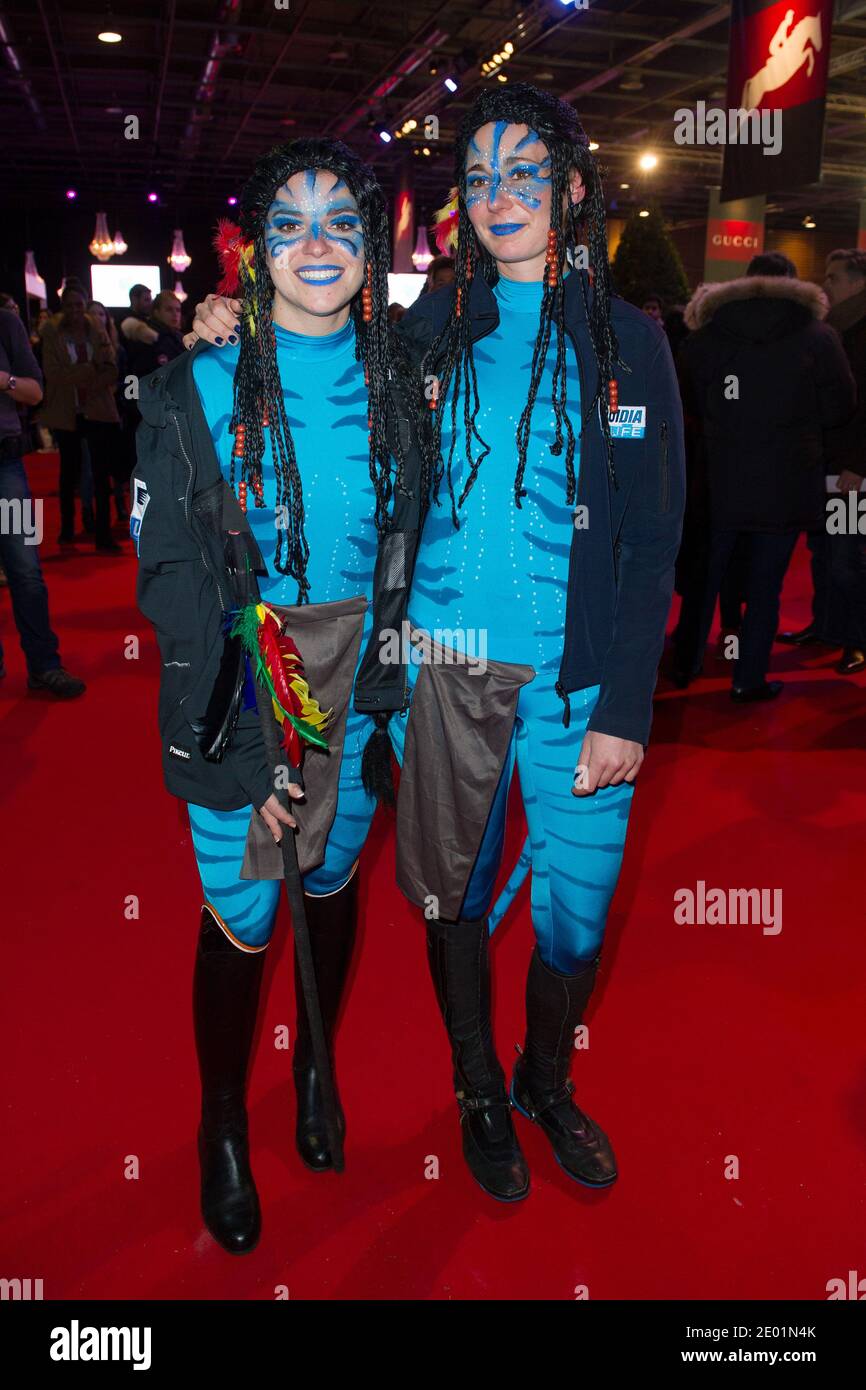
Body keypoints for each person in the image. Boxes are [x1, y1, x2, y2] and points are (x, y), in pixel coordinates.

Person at [193, 83, 686, 1206]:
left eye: (522, 174)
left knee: (574, 909)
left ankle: (543, 1079)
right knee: (448, 891)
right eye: (476, 177)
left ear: (568, 189)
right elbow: (317, 350)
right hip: (442, 675)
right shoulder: (431, 323)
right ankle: (474, 1088)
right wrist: (230, 317)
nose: (497, 195)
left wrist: (624, 707)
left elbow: (654, 534)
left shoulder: (633, 344)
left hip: (576, 692)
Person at [134, 138, 428, 1254]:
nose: (319, 245)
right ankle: (219, 1123)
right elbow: (169, 581)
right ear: (253, 249)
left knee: (336, 871)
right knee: (244, 913)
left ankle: (314, 1059)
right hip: (238, 683)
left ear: (370, 248)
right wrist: (257, 742)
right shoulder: (190, 388)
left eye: (343, 224)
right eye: (292, 223)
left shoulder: (401, 375)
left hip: (359, 684)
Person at [678, 251, 856, 700]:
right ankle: (748, 678)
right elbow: (841, 407)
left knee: (705, 577)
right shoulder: (819, 336)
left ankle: (686, 664)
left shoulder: (705, 336)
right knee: (765, 586)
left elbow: (684, 404)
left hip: (717, 479)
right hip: (786, 481)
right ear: (793, 283)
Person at [779, 248, 866, 673]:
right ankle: (827, 626)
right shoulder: (832, 329)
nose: (825, 285)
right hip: (826, 464)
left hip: (851, 472)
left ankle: (856, 639)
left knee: (848, 556)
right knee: (823, 551)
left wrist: (859, 465)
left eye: (834, 278)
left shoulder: (855, 330)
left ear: (857, 281)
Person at [0, 308, 85, 696]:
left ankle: (44, 664)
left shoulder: (5, 322)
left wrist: (4, 381)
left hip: (7, 465)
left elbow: (35, 392)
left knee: (26, 571)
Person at [38, 288, 123, 552]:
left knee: (100, 475)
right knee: (69, 473)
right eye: (70, 306)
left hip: (97, 409)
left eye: (79, 305)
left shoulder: (96, 329)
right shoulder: (52, 333)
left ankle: (103, 535)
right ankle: (66, 530)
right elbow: (52, 374)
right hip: (66, 412)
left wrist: (86, 380)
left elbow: (111, 369)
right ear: (62, 306)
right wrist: (87, 370)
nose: (75, 311)